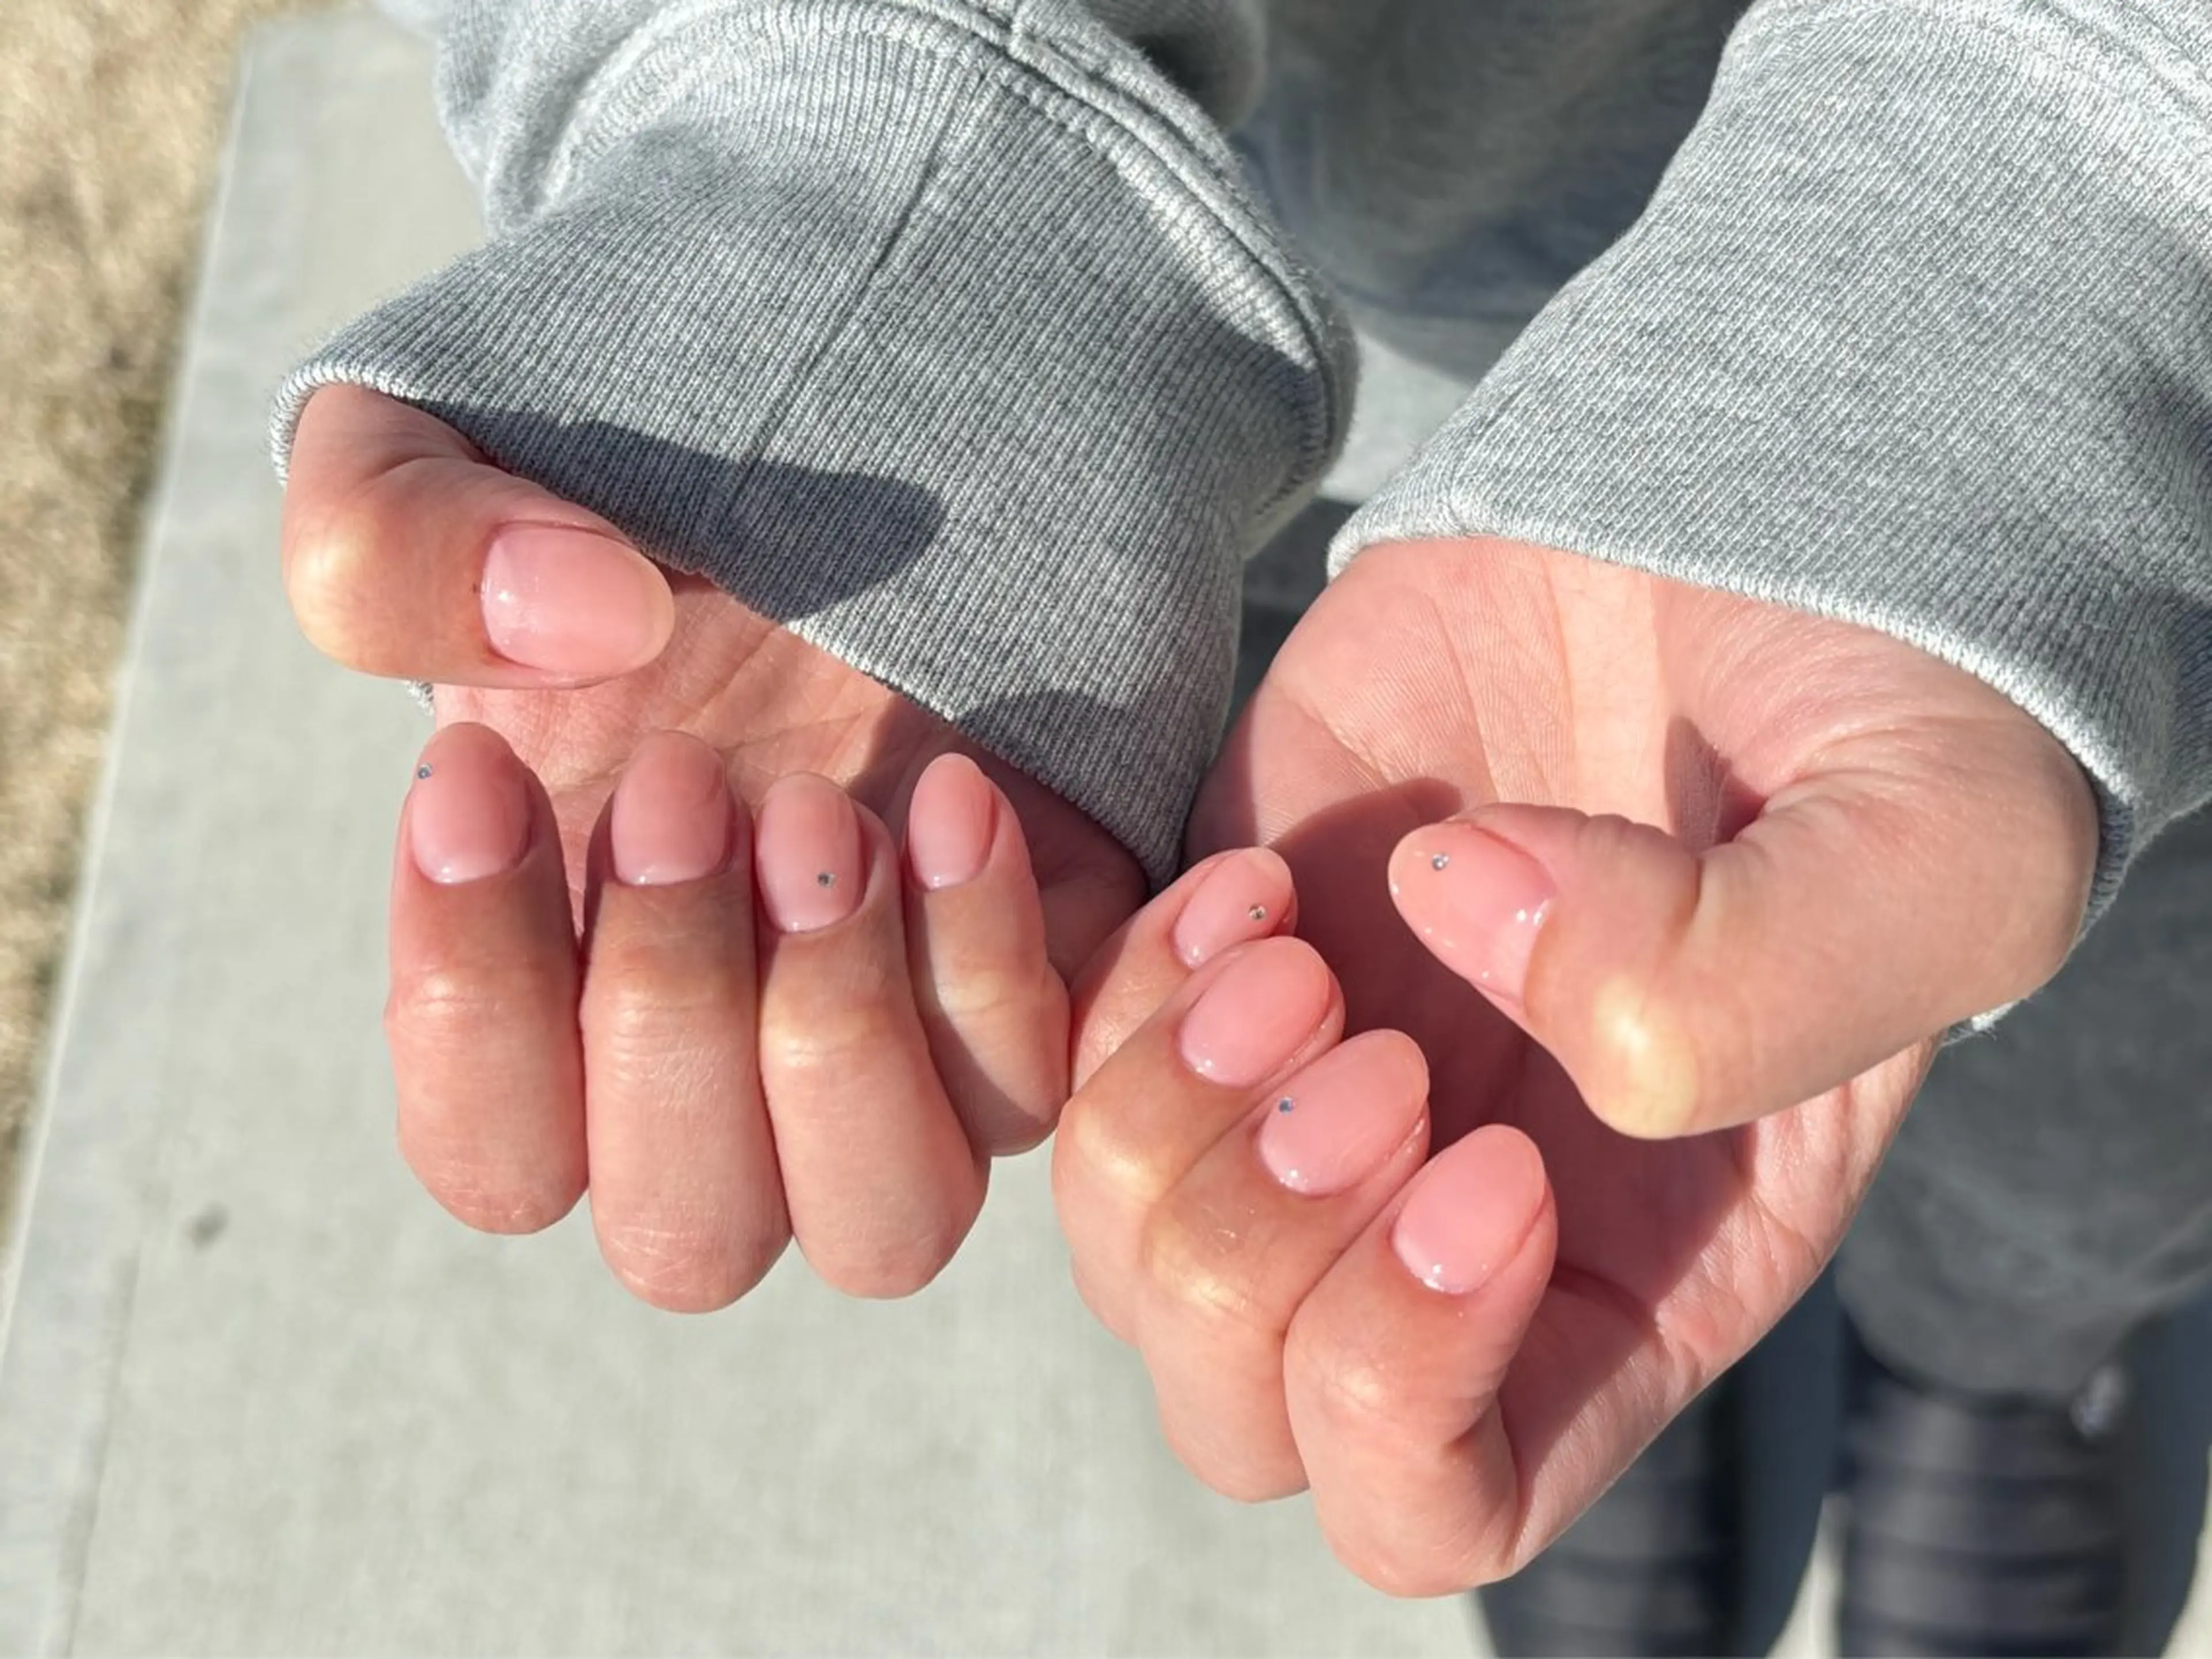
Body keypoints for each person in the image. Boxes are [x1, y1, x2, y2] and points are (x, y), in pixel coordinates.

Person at [271, 1, 2212, 1652]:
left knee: (2083, 1088)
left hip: (2071, 435)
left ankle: (2017, 1355)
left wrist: (2066, 238)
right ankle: (1709, 1329)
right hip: (1294, 463)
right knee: (1481, 1052)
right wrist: (888, 229)